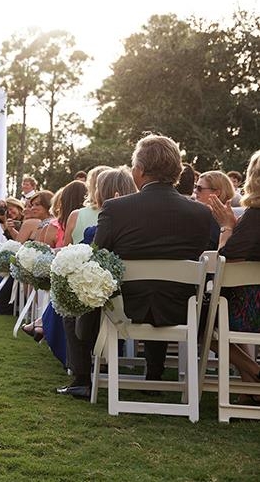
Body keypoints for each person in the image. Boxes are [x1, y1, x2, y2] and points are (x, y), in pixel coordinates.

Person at [58, 134, 217, 400]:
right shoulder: (201, 213)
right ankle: (153, 375)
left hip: (124, 306)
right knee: (162, 290)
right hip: (181, 309)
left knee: (74, 301)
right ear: (177, 172)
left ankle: (83, 379)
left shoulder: (116, 208)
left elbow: (98, 258)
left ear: (139, 171)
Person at [206, 150, 260, 394]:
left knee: (200, 319)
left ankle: (255, 373)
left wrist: (227, 227)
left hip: (250, 312)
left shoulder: (255, 216)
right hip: (249, 305)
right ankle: (249, 391)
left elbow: (224, 264)